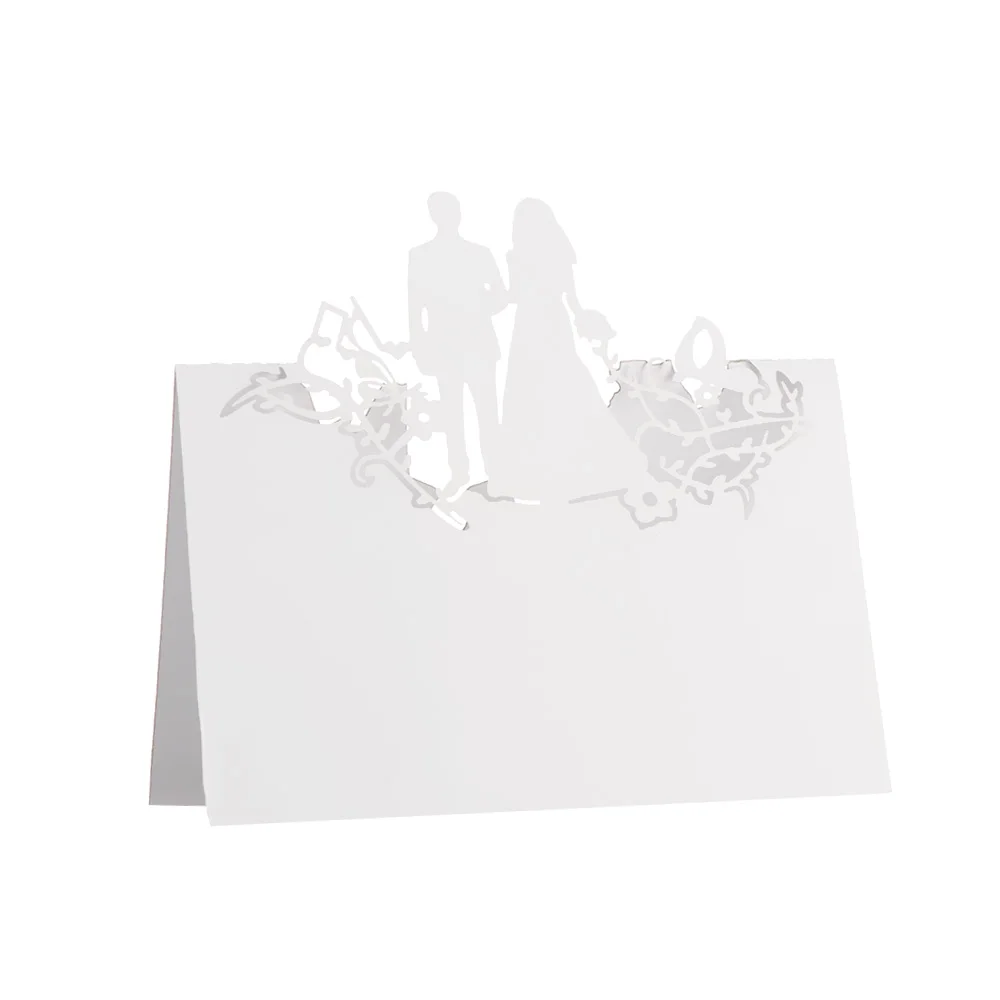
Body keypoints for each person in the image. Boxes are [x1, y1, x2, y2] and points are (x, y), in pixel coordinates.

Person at [487, 198, 648, 503]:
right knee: (558, 386)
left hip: (534, 325)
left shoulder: (520, 255)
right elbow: (571, 299)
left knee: (538, 390)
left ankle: (547, 469)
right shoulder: (554, 252)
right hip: (547, 322)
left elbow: (515, 295)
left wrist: (489, 298)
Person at [407, 192, 507, 499]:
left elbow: (501, 296)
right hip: (445, 345)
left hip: (477, 343)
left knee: (486, 412)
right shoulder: (420, 255)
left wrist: (477, 307)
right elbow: (414, 306)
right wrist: (419, 347)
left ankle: (496, 472)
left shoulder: (479, 253)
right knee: (453, 414)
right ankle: (460, 472)